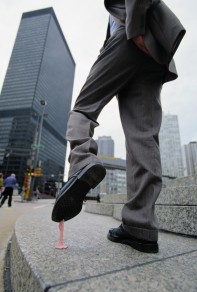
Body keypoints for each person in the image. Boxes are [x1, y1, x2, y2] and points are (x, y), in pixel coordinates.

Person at [52, 0, 185, 253]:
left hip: (130, 37)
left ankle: (82, 160)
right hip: (155, 54)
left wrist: (134, 29)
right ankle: (140, 226)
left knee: (82, 110)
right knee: (143, 136)